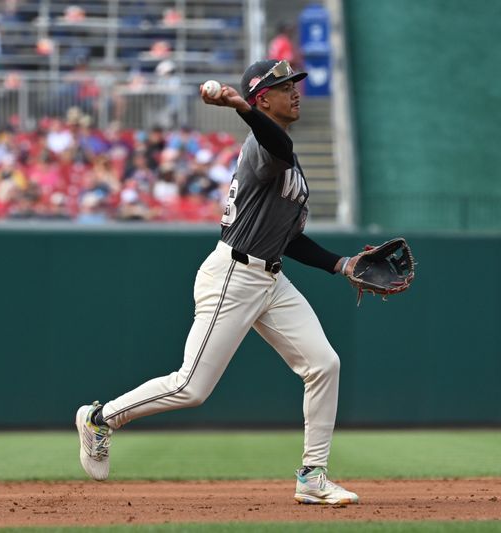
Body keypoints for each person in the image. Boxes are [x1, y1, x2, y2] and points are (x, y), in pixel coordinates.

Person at [74, 59, 360, 505]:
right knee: (191, 387)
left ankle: (312, 475)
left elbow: (291, 239)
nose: (296, 92)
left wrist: (340, 264)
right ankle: (100, 417)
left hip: (270, 279)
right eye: (285, 86)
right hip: (234, 275)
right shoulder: (264, 146)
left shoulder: (283, 152)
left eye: (294, 85)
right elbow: (275, 141)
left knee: (324, 364)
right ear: (262, 98)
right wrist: (239, 107)